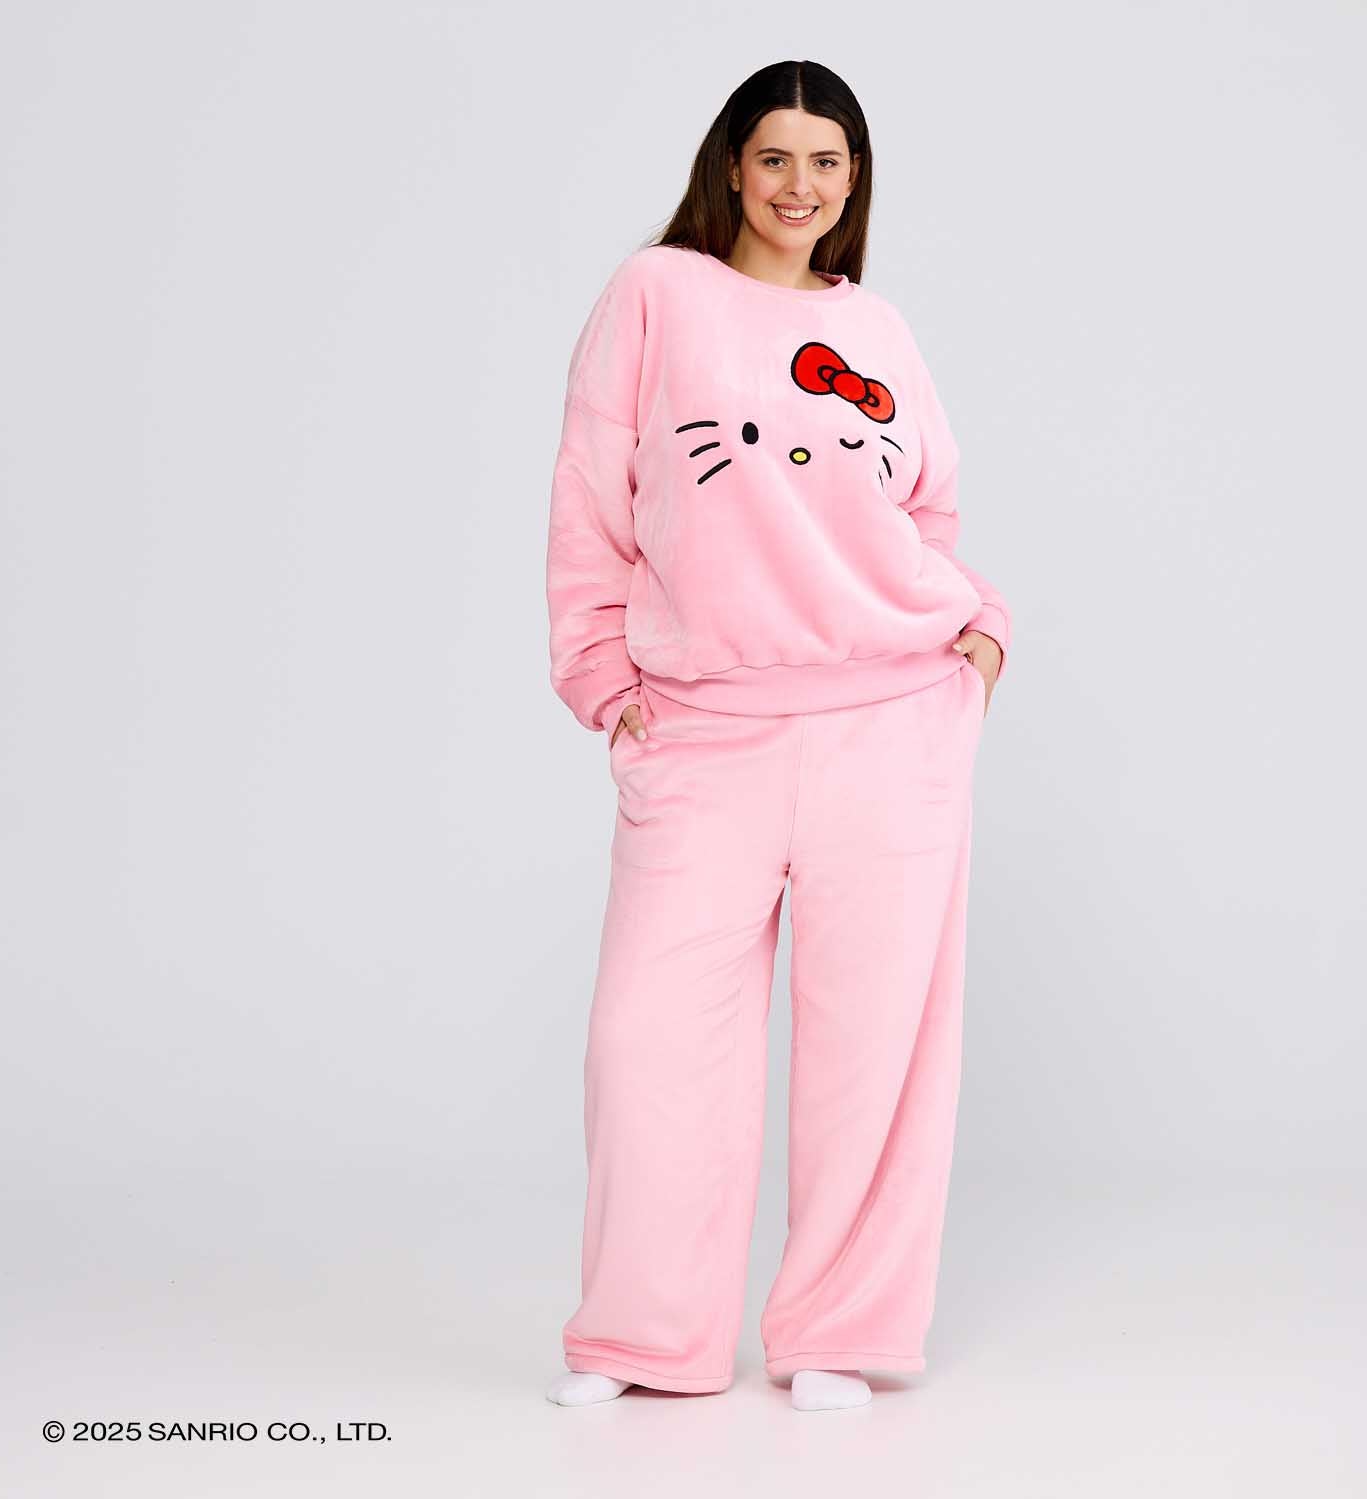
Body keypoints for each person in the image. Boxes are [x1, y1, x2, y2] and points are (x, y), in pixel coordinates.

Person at [542, 60, 1011, 1413]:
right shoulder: (656, 295)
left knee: (875, 1050)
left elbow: (927, 510)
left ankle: (835, 1333)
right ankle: (642, 1337)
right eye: (775, 157)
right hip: (708, 729)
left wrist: (977, 636)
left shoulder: (880, 330)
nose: (800, 185)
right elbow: (590, 498)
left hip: (891, 719)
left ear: (854, 182)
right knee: (648, 1039)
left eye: (827, 162)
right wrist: (601, 674)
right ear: (732, 169)